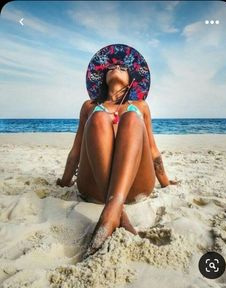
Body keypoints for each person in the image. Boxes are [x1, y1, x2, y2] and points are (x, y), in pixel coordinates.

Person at [56, 44, 178, 259]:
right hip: (94, 186)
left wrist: (166, 182)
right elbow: (76, 150)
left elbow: (152, 150)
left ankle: (113, 207)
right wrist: (65, 181)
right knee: (100, 117)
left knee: (132, 118)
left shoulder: (140, 106)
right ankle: (115, 210)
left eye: (122, 66)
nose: (116, 67)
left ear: (132, 78)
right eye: (111, 66)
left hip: (134, 186)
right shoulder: (89, 106)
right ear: (103, 78)